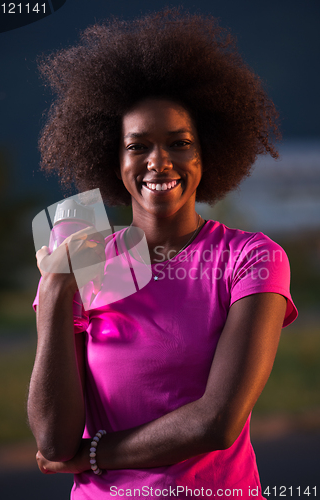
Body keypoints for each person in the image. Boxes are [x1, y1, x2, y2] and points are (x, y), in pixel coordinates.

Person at [28, 10, 298, 499]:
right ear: (115, 159)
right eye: (138, 146)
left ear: (205, 154)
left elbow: (217, 423)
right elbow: (52, 439)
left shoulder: (251, 259)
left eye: (179, 143)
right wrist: (54, 290)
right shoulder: (83, 263)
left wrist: (93, 455)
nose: (159, 161)